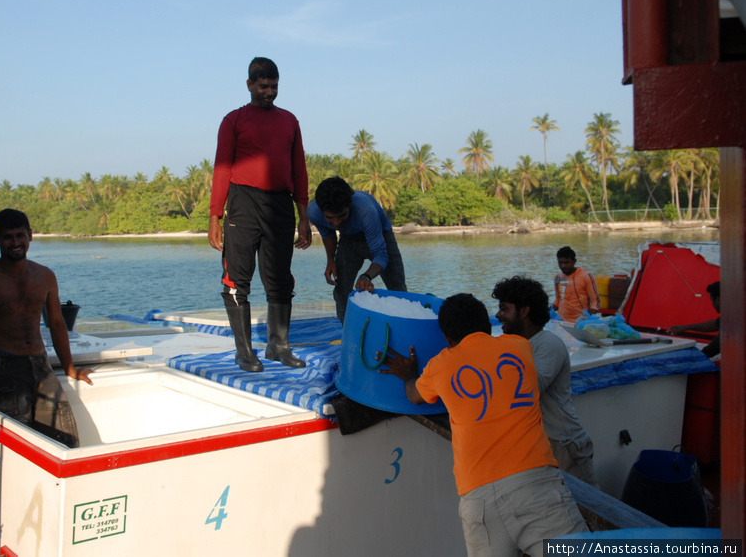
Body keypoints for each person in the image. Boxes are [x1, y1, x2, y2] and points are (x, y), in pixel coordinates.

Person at [382, 293, 588, 557]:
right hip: (536, 486)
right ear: (487, 324)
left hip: (478, 500)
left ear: (446, 337)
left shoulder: (440, 365)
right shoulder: (519, 346)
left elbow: (414, 396)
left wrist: (409, 374)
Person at [0, 209, 93, 448]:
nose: (15, 243)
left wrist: (69, 368)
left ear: (30, 236)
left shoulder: (45, 275)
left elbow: (56, 323)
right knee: (15, 444)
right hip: (2, 367)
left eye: (20, 235)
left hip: (40, 364)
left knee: (63, 441)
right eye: (7, 237)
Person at [208, 57, 312, 373]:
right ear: (250, 84)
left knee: (280, 279)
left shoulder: (290, 121)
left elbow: (299, 170)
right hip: (243, 203)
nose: (269, 92)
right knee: (237, 279)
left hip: (280, 205)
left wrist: (303, 216)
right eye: (263, 86)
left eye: (274, 87)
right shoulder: (233, 121)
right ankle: (244, 351)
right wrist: (215, 216)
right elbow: (222, 168)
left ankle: (278, 346)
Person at [493, 275, 599, 488]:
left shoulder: (548, 344)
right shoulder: (517, 344)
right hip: (540, 445)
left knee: (586, 514)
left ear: (524, 311)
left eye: (504, 309)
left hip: (564, 444)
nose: (498, 315)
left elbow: (530, 388)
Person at [307, 176, 407, 323]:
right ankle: (349, 333)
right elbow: (328, 234)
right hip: (348, 239)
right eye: (330, 218)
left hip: (380, 236)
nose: (336, 222)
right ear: (321, 211)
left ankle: (402, 330)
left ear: (350, 206)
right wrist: (330, 261)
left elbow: (381, 255)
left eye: (342, 216)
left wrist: (366, 276)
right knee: (341, 290)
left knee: (397, 289)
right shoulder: (313, 212)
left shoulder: (366, 212)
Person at [668, 281, 721, 358]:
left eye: (712, 300)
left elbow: (716, 345)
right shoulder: (734, 311)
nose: (712, 304)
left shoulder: (735, 317)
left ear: (718, 300)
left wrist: (698, 357)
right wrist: (686, 327)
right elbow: (715, 324)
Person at [552, 246, 600, 322]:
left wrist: (587, 319)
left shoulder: (586, 276)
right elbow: (558, 300)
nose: (563, 266)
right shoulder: (557, 277)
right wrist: (547, 311)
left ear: (574, 261)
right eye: (560, 262)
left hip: (580, 321)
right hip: (562, 321)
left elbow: (595, 302)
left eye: (567, 262)